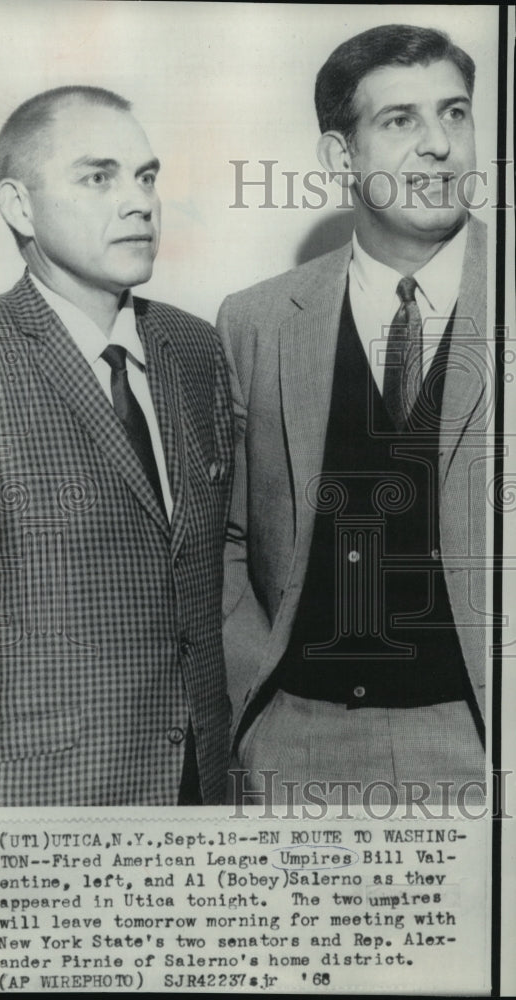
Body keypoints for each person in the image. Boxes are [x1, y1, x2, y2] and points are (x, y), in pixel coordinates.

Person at [219, 25, 490, 806]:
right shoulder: (258, 320)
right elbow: (226, 538)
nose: (438, 145)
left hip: (479, 746)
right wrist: (253, 710)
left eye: (456, 113)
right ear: (341, 157)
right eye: (400, 121)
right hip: (295, 747)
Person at [0, 86, 233, 806]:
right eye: (100, 177)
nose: (140, 203)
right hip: (48, 797)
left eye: (146, 176)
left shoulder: (193, 347)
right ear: (19, 206)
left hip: (203, 789)